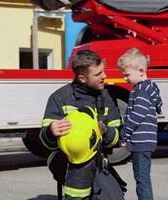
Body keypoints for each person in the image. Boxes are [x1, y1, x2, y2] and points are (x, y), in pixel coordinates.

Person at [39, 49, 122, 199]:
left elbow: (119, 138)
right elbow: (45, 141)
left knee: (115, 197)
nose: (104, 76)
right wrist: (51, 132)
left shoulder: (106, 97)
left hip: (98, 160)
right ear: (82, 78)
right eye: (98, 74)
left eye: (103, 71)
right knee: (82, 179)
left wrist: (105, 131)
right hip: (65, 160)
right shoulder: (59, 98)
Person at [118, 47, 163, 200]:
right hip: (145, 141)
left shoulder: (142, 90)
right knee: (142, 177)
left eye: (127, 75)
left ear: (141, 70)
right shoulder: (147, 88)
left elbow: (137, 115)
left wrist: (124, 135)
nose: (125, 79)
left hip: (141, 141)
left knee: (141, 179)